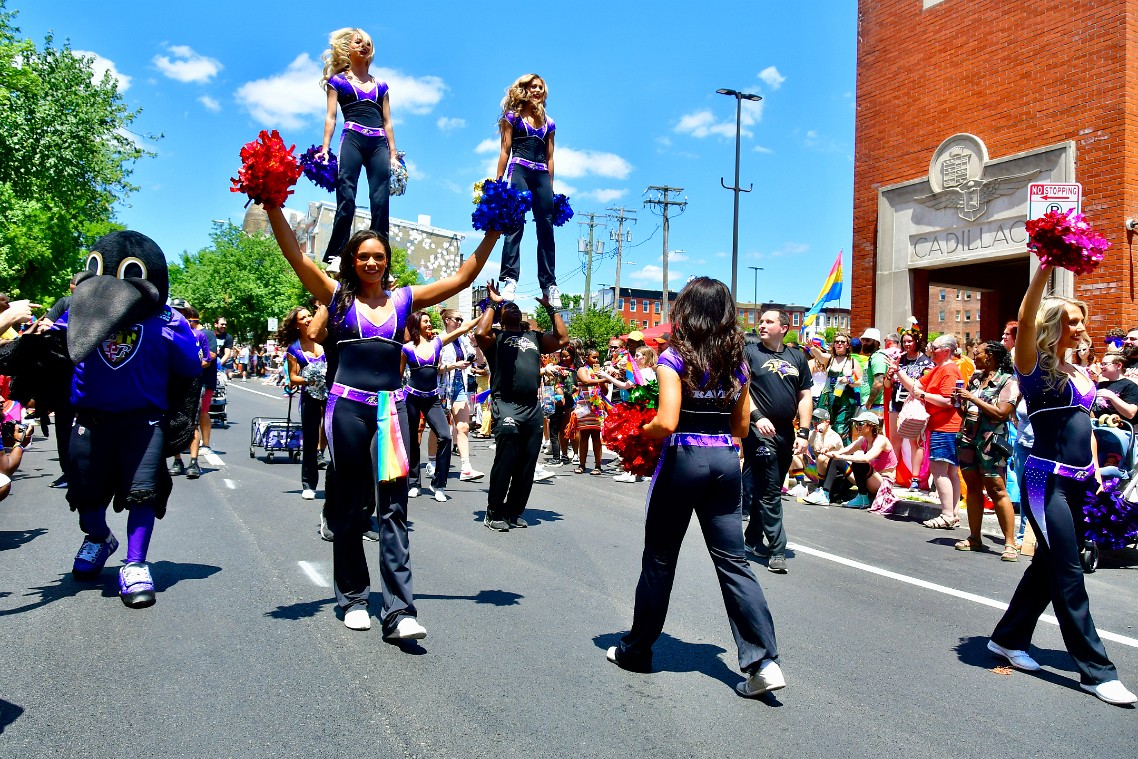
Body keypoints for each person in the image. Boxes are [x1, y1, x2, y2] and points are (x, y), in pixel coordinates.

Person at [266, 203, 500, 638]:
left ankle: (399, 612)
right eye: (363, 256)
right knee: (350, 503)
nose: (372, 262)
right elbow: (296, 257)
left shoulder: (405, 298)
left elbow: (462, 278)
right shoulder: (336, 298)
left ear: (387, 260)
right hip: (346, 409)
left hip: (391, 410)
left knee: (393, 507)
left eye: (379, 256)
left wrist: (493, 232)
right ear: (353, 262)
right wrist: (272, 204)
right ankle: (353, 597)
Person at [607, 277, 784, 698]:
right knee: (734, 562)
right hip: (724, 459)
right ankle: (763, 661)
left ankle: (637, 649)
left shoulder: (674, 358)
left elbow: (666, 422)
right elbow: (741, 425)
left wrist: (640, 429)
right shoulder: (737, 361)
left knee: (660, 559)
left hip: (684, 457)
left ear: (687, 311)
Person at [988, 264, 1136, 706]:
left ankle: (1007, 640)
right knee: (1069, 571)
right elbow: (1026, 309)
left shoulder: (1081, 372)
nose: (1080, 326)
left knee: (1047, 566)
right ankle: (1096, 671)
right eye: (1072, 320)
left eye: (1081, 320)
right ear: (1051, 325)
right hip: (1044, 481)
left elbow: (1085, 427)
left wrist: (1097, 474)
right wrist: (1045, 270)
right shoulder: (1033, 365)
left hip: (1078, 482)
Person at [48, 231, 203, 608]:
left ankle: (134, 564)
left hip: (143, 422)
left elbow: (188, 367)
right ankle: (99, 538)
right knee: (85, 495)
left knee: (142, 495)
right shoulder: (75, 312)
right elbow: (50, 352)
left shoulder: (168, 319)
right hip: (89, 419)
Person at [473, 283, 567, 530]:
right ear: (501, 317)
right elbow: (480, 333)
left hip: (531, 407)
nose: (513, 308)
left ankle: (513, 511)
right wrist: (493, 303)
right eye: (508, 307)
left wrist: (551, 309)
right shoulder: (496, 338)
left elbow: (562, 338)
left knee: (527, 463)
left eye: (516, 307)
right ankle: (493, 512)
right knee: (506, 458)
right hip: (505, 404)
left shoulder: (534, 337)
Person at [319, 28, 398, 263]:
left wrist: (393, 153)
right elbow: (331, 117)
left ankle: (382, 257)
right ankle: (336, 255)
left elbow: (388, 122)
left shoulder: (381, 85)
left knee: (381, 202)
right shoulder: (338, 81)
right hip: (352, 138)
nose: (364, 46)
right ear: (347, 48)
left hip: (378, 144)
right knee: (346, 197)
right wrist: (325, 149)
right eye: (358, 42)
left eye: (368, 43)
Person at [743, 310, 812, 574]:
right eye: (761, 321)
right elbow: (742, 389)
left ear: (784, 328)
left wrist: (804, 433)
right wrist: (757, 416)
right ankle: (777, 549)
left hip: (785, 431)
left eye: (768, 321)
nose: (761, 325)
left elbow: (805, 396)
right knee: (771, 488)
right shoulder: (750, 353)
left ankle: (750, 539)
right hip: (758, 428)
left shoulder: (797, 357)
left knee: (768, 485)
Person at [495, 73, 560, 307]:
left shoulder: (549, 123)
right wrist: (498, 182)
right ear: (524, 89)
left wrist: (550, 188)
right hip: (519, 168)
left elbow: (551, 157)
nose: (537, 90)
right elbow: (505, 150)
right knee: (516, 224)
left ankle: (549, 284)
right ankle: (510, 279)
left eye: (540, 87)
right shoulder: (512, 117)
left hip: (541, 173)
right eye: (533, 86)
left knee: (546, 227)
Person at [953, 341, 1020, 560]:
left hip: (991, 441)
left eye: (977, 354)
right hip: (968, 438)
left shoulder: (1008, 381)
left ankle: (1010, 544)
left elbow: (1001, 412)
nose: (974, 357)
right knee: (972, 486)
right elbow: (969, 410)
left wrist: (973, 398)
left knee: (996, 488)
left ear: (990, 356)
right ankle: (974, 537)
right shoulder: (975, 379)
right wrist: (961, 402)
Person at [891, 334, 964, 529]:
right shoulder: (939, 369)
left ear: (947, 351)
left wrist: (924, 395)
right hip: (942, 426)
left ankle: (948, 514)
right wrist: (898, 371)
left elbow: (949, 401)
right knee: (949, 471)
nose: (931, 350)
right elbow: (915, 387)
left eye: (935, 348)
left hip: (946, 427)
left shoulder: (949, 370)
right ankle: (953, 513)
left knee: (940, 470)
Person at [403, 310, 477, 502]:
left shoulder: (437, 343)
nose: (429, 324)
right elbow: (398, 374)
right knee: (412, 439)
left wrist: (490, 308)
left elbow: (466, 328)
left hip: (432, 399)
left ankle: (439, 484)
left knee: (444, 435)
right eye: (425, 321)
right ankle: (413, 482)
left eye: (429, 321)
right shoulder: (407, 348)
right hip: (411, 397)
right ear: (416, 324)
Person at [277, 305, 326, 500]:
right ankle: (308, 484)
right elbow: (293, 377)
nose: (308, 319)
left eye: (309, 316)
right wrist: (311, 379)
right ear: (297, 325)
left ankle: (340, 484)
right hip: (310, 397)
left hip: (331, 395)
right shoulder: (294, 348)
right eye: (303, 318)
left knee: (337, 438)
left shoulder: (325, 339)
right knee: (311, 440)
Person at [168, 302, 213, 480]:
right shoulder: (168, 333)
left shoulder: (199, 335)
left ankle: (193, 461)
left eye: (184, 314)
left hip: (193, 383)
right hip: (172, 383)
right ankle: (177, 459)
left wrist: (189, 366)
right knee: (173, 421)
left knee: (192, 421)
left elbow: (207, 359)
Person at [438, 309, 485, 483]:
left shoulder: (463, 340)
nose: (459, 322)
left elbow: (480, 363)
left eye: (461, 320)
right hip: (442, 386)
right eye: (457, 319)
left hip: (460, 385)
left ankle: (466, 467)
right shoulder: (439, 339)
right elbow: (434, 367)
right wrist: (453, 365)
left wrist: (476, 345)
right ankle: (432, 461)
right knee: (439, 430)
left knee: (463, 427)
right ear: (447, 320)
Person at [884, 328, 933, 490]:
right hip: (896, 404)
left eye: (910, 341)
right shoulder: (898, 359)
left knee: (915, 442)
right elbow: (887, 385)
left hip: (914, 405)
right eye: (904, 341)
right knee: (894, 441)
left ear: (917, 342)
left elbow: (921, 386)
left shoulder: (926, 362)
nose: (906, 344)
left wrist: (898, 371)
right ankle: (893, 475)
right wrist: (890, 374)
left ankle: (915, 478)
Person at [828, 410, 897, 510]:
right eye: (856, 424)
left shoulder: (881, 440)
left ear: (871, 426)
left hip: (882, 481)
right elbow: (845, 451)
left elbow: (866, 459)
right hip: (869, 479)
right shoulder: (863, 440)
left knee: (859, 463)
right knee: (836, 461)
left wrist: (841, 456)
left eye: (860, 424)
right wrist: (829, 453)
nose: (857, 427)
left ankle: (863, 498)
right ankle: (824, 493)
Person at [813, 333, 861, 442]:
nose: (839, 344)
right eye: (837, 342)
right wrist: (811, 346)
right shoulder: (829, 359)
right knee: (823, 428)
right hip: (827, 399)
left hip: (845, 400)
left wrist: (849, 380)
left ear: (848, 345)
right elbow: (818, 354)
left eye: (842, 342)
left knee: (840, 430)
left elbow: (860, 381)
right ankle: (826, 456)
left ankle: (843, 457)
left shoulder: (852, 362)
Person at [573, 348, 609, 475]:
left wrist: (601, 377)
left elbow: (605, 392)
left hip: (597, 408)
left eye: (598, 357)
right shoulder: (582, 370)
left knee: (596, 437)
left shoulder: (598, 372)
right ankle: (582, 464)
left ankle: (598, 466)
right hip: (584, 407)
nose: (596, 360)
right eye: (594, 357)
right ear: (586, 358)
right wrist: (603, 379)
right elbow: (586, 381)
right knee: (583, 436)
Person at [1093, 352, 1138, 421]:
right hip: (1096, 427)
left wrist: (1112, 397)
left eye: (1105, 364)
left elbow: (1130, 414)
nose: (1101, 367)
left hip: (1120, 429)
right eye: (1101, 364)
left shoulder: (1130, 386)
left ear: (1118, 366)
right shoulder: (1100, 385)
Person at [859, 328, 888, 416]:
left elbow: (878, 383)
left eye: (867, 341)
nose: (864, 343)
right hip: (873, 405)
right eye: (863, 340)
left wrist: (868, 403)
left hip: (876, 406)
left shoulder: (878, 357)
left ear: (876, 342)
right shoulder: (874, 357)